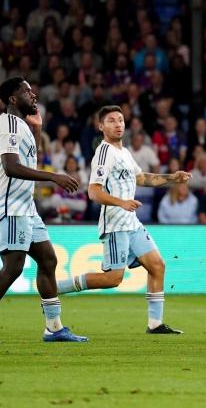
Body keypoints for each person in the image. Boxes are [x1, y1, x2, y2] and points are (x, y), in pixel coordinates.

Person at [0, 77, 87, 344]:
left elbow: (29, 158)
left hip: (26, 206)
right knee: (14, 266)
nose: (34, 95)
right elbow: (11, 166)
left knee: (48, 260)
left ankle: (54, 327)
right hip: (11, 206)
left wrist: (38, 131)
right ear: (12, 99)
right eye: (27, 92)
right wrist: (54, 177)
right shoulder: (7, 125)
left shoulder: (22, 126)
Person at [56, 105, 190, 334]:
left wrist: (171, 178)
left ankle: (155, 324)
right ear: (101, 126)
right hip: (116, 223)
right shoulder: (104, 153)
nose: (118, 124)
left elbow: (142, 178)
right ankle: (55, 287)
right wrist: (122, 202)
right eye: (111, 121)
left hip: (131, 222)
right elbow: (93, 192)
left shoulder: (125, 153)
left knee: (157, 266)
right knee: (113, 279)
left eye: (120, 120)